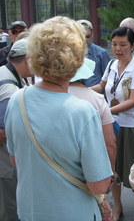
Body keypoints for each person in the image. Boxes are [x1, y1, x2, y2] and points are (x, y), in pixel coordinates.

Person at [5, 16, 113, 221]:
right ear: (78, 61)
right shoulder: (82, 112)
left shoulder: (17, 100)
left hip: (30, 211)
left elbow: (15, 160)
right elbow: (99, 183)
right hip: (73, 213)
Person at [92, 26, 134, 221]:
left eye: (123, 44)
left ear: (133, 46)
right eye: (114, 44)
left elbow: (133, 101)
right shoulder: (111, 65)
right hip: (110, 125)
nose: (117, 48)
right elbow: (101, 86)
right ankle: (117, 207)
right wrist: (81, 91)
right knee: (112, 169)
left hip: (131, 127)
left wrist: (105, 111)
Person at [0, 38, 32, 221]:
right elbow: (3, 132)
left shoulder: (5, 72)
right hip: (4, 163)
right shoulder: (9, 88)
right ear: (28, 59)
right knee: (9, 211)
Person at [69, 57, 117, 173]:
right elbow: (110, 143)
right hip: (91, 163)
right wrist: (111, 171)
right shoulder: (97, 99)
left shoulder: (56, 96)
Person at [77, 19, 111, 87]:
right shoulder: (69, 54)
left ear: (92, 34)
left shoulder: (101, 53)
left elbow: (109, 78)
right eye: (81, 36)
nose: (84, 39)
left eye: (87, 36)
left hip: (96, 93)